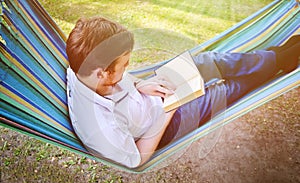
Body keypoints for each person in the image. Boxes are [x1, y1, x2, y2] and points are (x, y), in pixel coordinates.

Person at [66, 16, 299, 168]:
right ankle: (280, 59)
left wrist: (139, 85)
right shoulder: (97, 129)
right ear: (102, 73)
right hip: (165, 122)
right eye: (124, 66)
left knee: (210, 61)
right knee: (221, 92)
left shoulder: (84, 66)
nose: (127, 69)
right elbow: (135, 159)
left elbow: (117, 81)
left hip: (154, 94)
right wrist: (169, 111)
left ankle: (278, 57)